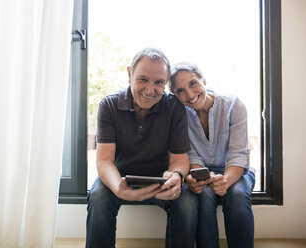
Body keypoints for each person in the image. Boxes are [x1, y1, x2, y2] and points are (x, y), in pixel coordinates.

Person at [86, 48, 198, 248]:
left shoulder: (174, 108)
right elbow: (104, 161)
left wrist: (177, 177)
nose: (150, 90)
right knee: (98, 197)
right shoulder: (109, 105)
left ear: (166, 83)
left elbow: (180, 160)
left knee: (187, 203)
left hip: (161, 179)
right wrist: (118, 188)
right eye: (143, 79)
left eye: (159, 82)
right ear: (130, 74)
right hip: (119, 176)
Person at [169, 61, 255, 248]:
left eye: (193, 83)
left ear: (204, 80)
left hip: (236, 170)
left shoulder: (234, 106)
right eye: (180, 91)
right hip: (203, 171)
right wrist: (198, 178)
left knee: (237, 194)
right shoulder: (180, 115)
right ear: (175, 95)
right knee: (204, 195)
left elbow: (238, 154)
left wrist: (225, 180)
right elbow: (192, 157)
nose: (190, 94)